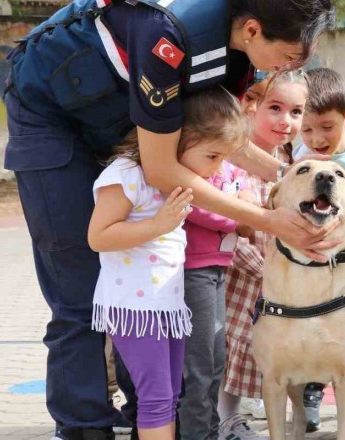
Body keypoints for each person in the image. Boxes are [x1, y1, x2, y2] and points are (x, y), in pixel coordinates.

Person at [3, 1, 335, 438]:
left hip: (117, 120)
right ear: (253, 29)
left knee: (142, 282)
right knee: (80, 290)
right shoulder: (169, 37)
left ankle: (149, 416)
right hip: (51, 120)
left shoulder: (238, 56)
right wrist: (266, 219)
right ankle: (83, 425)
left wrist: (294, 179)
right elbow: (162, 169)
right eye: (289, 57)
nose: (286, 69)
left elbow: (214, 137)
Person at [87, 87, 248, 440]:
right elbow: (98, 236)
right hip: (135, 307)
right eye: (212, 156)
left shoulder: (170, 180)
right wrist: (157, 226)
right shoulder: (127, 172)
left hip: (166, 307)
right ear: (179, 138)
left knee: (169, 397)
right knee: (158, 399)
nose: (217, 168)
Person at [219, 71, 308, 440]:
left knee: (256, 349)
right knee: (228, 348)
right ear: (250, 106)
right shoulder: (230, 161)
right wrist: (264, 268)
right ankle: (224, 419)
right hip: (236, 275)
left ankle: (234, 415)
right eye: (275, 108)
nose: (285, 121)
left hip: (271, 281)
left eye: (296, 111)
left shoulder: (287, 163)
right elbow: (227, 227)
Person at [290, 66, 345, 432]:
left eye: (326, 127)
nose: (316, 138)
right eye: (306, 129)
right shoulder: (299, 156)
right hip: (315, 258)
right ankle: (313, 389)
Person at [178, 159, 256, 438]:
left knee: (214, 362)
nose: (219, 159)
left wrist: (244, 204)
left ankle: (210, 431)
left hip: (219, 266)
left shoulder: (223, 163)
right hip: (193, 270)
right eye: (213, 153)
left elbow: (242, 182)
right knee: (198, 366)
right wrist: (242, 218)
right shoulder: (189, 164)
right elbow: (198, 205)